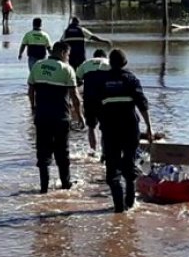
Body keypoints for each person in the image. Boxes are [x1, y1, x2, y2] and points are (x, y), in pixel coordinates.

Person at [84, 49, 153, 213]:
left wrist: (92, 126)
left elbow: (92, 105)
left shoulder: (101, 80)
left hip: (110, 129)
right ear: (125, 63)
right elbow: (142, 104)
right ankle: (130, 202)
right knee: (129, 164)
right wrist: (149, 127)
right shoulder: (131, 79)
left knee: (112, 170)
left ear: (109, 63)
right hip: (130, 128)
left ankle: (119, 208)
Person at [27, 42, 83, 193]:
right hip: (60, 118)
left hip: (42, 116)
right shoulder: (67, 69)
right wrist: (80, 117)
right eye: (68, 55)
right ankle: (66, 185)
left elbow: (30, 90)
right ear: (63, 52)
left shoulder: (37, 66)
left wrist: (33, 108)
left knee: (43, 153)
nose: (68, 58)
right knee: (62, 153)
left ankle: (43, 188)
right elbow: (75, 97)